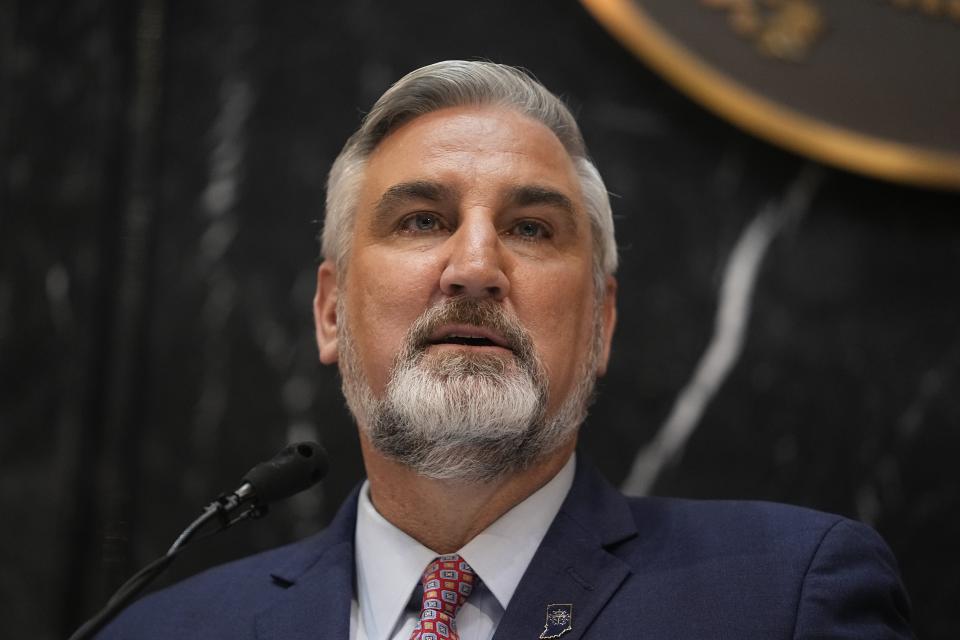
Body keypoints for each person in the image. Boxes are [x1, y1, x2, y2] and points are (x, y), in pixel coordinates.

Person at [100, 60, 912, 639]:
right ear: (330, 312)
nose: (477, 268)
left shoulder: (785, 596)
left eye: (531, 228)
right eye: (421, 219)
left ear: (601, 323)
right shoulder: (161, 628)